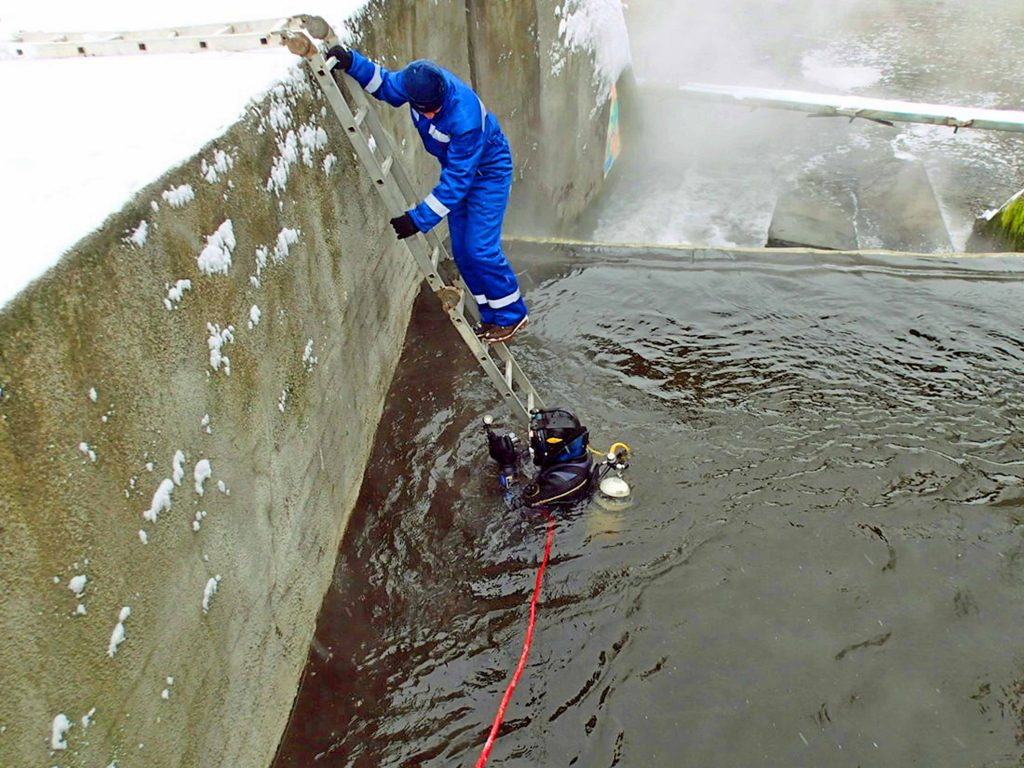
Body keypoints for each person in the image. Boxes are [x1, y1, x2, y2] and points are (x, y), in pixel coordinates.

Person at [325, 44, 529, 344]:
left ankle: (513, 316)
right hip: (459, 171)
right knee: (462, 251)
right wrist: (351, 61)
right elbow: (383, 84)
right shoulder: (414, 82)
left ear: (443, 94)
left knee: (480, 249)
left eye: (435, 108)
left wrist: (418, 220)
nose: (431, 114)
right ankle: (491, 314)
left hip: (488, 176)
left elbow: (457, 182)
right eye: (425, 110)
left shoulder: (464, 118)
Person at [485, 408, 596, 509]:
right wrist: (513, 452)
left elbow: (513, 504)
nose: (533, 445)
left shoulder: (559, 483)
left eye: (537, 442)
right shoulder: (577, 451)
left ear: (552, 446)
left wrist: (507, 465)